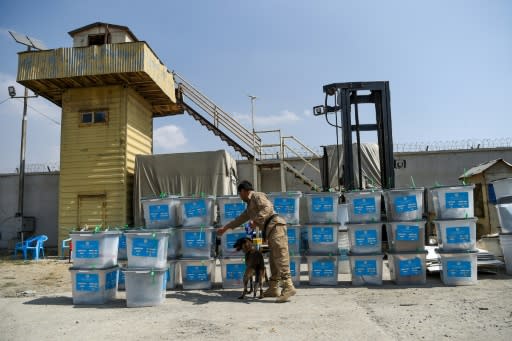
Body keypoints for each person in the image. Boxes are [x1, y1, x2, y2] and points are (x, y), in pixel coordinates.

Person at [217, 180, 296, 303]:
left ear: (243, 191)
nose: (240, 197)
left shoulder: (257, 196)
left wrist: (256, 221)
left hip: (275, 227)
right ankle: (273, 287)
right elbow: (240, 219)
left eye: (240, 193)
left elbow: (267, 207)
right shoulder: (249, 207)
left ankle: (288, 286)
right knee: (273, 260)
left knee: (280, 257)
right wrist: (225, 228)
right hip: (270, 230)